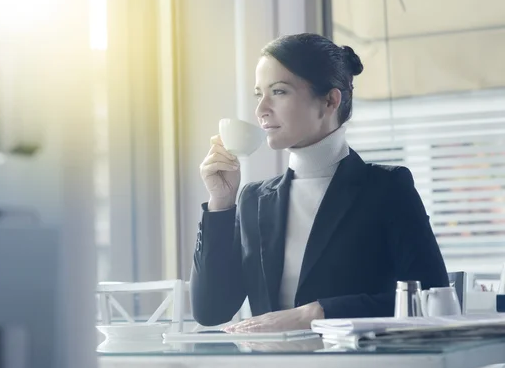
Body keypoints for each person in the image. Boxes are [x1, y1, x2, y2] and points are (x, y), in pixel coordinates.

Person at [190, 33, 449, 332]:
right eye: (258, 94)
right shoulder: (254, 198)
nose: (261, 109)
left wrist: (316, 314)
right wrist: (220, 203)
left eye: (279, 92)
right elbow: (210, 311)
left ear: (329, 100)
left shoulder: (387, 188)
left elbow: (431, 299)